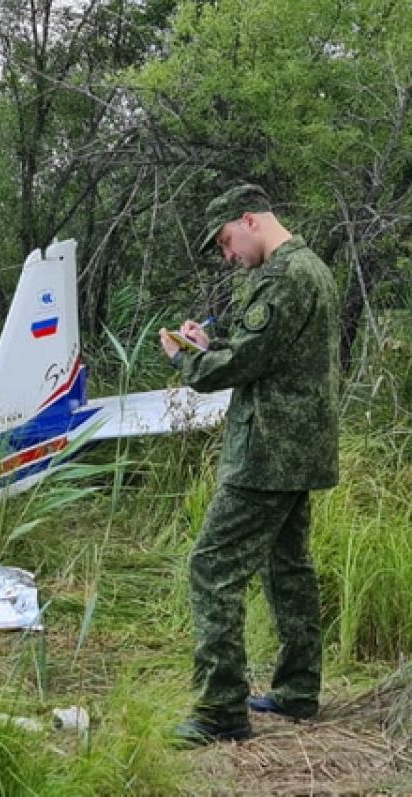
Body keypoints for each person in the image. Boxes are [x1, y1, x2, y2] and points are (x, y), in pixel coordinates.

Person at [158, 184, 340, 746]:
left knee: (212, 568)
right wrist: (210, 342)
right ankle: (297, 690)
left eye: (226, 242)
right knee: (288, 568)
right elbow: (265, 355)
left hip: (267, 453)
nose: (227, 256)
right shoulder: (313, 269)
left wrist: (187, 357)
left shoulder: (284, 277)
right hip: (300, 448)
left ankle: (220, 709)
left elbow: (237, 364)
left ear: (249, 220)